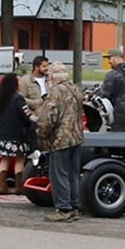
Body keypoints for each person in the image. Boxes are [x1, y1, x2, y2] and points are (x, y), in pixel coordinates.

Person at [37, 62, 85, 222]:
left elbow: (49, 117)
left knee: (59, 174)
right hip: (77, 136)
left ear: (52, 77)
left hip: (61, 138)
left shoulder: (56, 92)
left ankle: (63, 208)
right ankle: (74, 205)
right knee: (72, 173)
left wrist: (41, 134)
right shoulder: (75, 89)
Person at [0, 72, 35, 195]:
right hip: (17, 134)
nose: (21, 83)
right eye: (19, 81)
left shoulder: (1, 98)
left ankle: (2, 185)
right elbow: (27, 116)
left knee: (4, 159)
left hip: (2, 133)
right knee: (19, 159)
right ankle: (19, 186)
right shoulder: (18, 99)